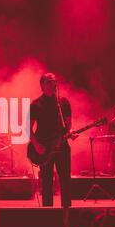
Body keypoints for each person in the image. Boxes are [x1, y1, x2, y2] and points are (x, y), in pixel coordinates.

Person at [29, 73, 76, 208]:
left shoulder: (63, 103)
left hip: (62, 146)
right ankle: (47, 214)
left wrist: (70, 133)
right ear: (42, 85)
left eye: (54, 81)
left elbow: (68, 124)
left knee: (65, 180)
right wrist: (36, 145)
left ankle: (67, 214)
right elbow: (28, 128)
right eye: (49, 81)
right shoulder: (36, 105)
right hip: (44, 148)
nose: (53, 84)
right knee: (47, 182)